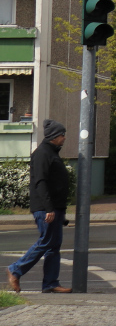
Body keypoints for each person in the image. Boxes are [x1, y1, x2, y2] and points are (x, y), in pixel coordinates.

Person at [7, 119, 72, 294]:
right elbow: (40, 183)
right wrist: (49, 208)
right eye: (62, 134)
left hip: (55, 208)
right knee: (46, 242)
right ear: (53, 136)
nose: (64, 137)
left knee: (54, 245)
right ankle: (15, 269)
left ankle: (51, 283)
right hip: (46, 209)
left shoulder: (52, 152)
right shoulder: (43, 153)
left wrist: (60, 212)